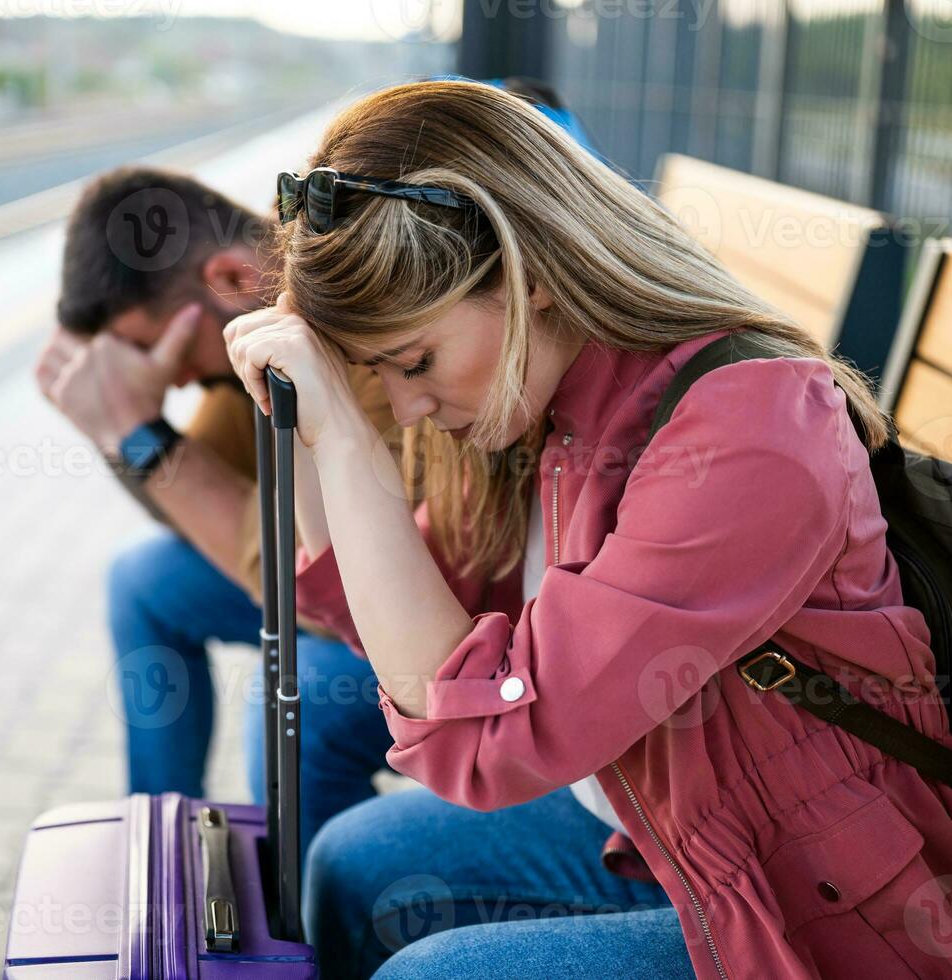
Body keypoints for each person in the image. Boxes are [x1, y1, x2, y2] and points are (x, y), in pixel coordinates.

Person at [224, 80, 951, 978]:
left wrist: (349, 446)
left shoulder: (747, 431)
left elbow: (484, 743)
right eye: (382, 375)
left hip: (809, 899)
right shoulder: (563, 400)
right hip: (655, 822)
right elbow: (395, 621)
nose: (407, 408)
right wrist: (300, 429)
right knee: (352, 867)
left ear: (529, 277)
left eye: (415, 363)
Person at [35, 167, 407, 859]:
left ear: (233, 278)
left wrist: (141, 432)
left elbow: (317, 593)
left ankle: (325, 927)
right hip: (333, 593)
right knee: (142, 578)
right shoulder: (250, 326)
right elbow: (194, 508)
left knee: (300, 697)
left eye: (150, 346)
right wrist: (119, 433)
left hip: (425, 617)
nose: (169, 375)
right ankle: (156, 845)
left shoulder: (353, 326)